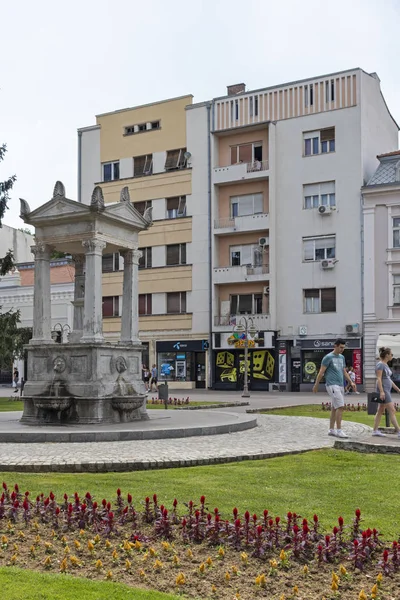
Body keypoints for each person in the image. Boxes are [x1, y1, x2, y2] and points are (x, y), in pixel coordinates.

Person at [312, 338, 356, 438]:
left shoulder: (342, 357)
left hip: (340, 385)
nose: (342, 349)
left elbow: (344, 371)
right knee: (340, 406)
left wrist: (351, 382)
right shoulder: (328, 357)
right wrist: (316, 384)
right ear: (335, 346)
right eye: (340, 347)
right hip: (332, 385)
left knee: (334, 407)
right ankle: (339, 430)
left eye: (343, 348)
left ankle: (331, 429)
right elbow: (321, 372)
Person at [372, 347, 400, 438]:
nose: (392, 356)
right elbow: (379, 378)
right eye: (391, 354)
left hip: (386, 389)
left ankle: (375, 430)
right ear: (387, 355)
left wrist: (397, 389)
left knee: (380, 410)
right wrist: (381, 391)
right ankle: (398, 431)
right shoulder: (380, 365)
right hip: (383, 390)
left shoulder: (386, 365)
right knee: (392, 410)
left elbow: (388, 379)